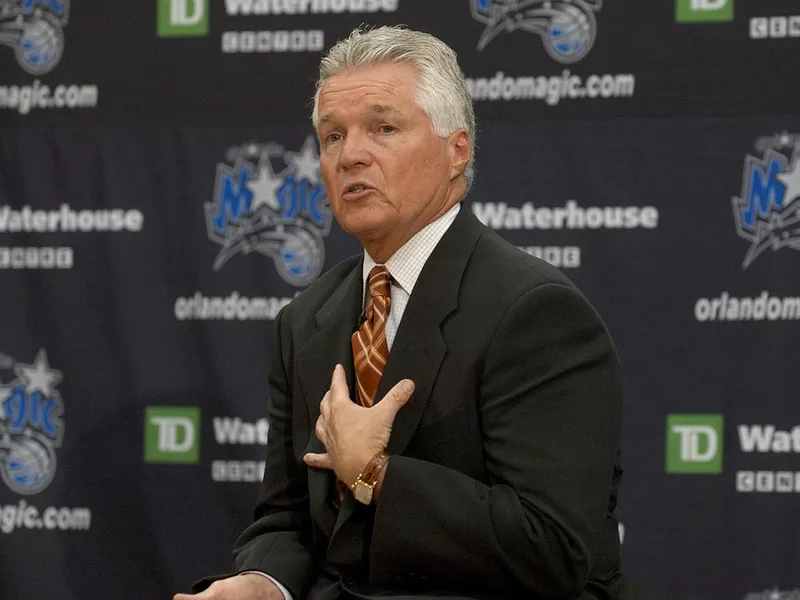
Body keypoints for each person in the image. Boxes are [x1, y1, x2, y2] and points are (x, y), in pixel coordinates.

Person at [175, 25, 628, 600]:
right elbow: (288, 518)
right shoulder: (305, 320)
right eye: (332, 136)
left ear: (456, 150)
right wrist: (262, 584)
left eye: (384, 128)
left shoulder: (535, 311)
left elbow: (553, 548)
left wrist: (377, 473)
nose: (351, 155)